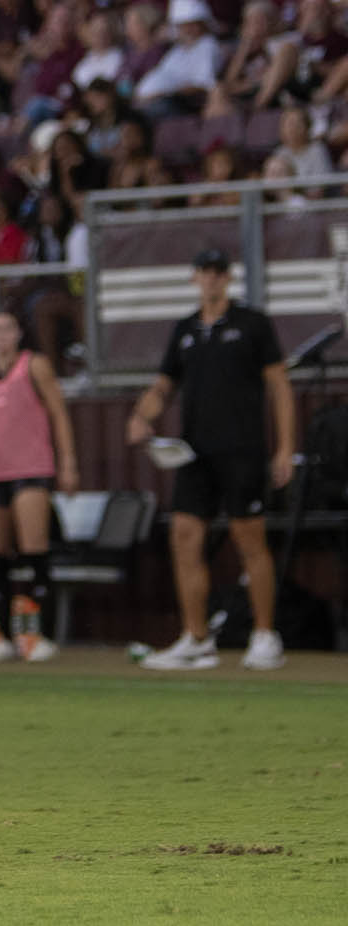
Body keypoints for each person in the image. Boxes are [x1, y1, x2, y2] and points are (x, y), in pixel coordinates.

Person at [130, 248, 296, 672]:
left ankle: (264, 635)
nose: (212, 279)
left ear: (228, 278)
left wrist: (283, 447)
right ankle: (196, 638)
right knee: (184, 536)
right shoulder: (185, 329)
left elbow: (279, 387)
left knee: (249, 541)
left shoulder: (253, 324)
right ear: (195, 279)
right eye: (205, 272)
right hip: (194, 455)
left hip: (242, 451)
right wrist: (141, 416)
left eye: (218, 272)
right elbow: (163, 386)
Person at [0, 312, 79, 663]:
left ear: (19, 333)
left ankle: (43, 635)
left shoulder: (34, 367)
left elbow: (58, 413)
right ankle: (4, 636)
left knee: (35, 551)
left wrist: (67, 462)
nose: (2, 336)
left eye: (8, 328)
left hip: (32, 468)